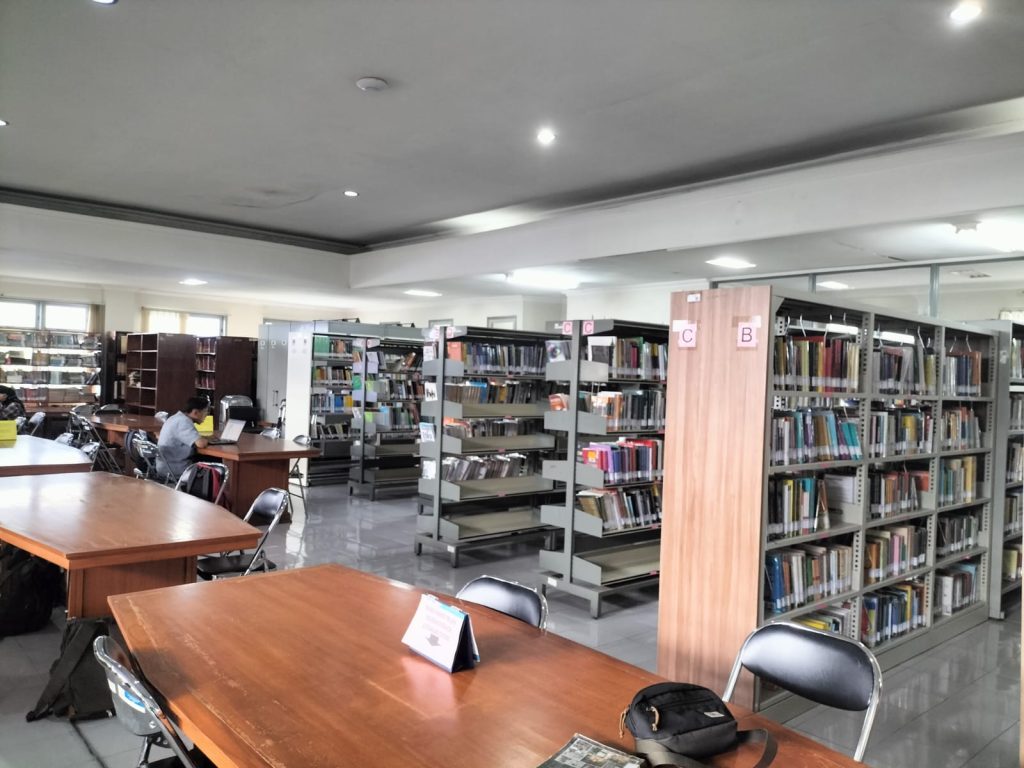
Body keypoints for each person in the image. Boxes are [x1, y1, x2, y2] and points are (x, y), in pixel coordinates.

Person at [156, 396, 210, 478]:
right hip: (174, 468)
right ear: (195, 412)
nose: (206, 416)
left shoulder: (175, 417)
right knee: (215, 467)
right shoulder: (183, 421)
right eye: (205, 412)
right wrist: (206, 440)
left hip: (166, 464)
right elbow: (201, 444)